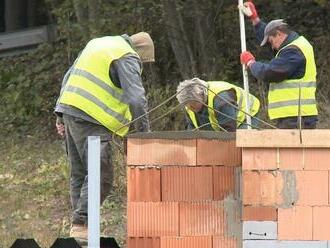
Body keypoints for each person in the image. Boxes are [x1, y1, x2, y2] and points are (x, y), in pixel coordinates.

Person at [54, 32, 154, 239]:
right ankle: (82, 224)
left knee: (81, 173)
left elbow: (69, 75)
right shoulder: (127, 55)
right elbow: (136, 99)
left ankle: (81, 230)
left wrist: (60, 113)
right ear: (139, 53)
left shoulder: (98, 44)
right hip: (92, 120)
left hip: (71, 111)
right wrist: (145, 136)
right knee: (99, 173)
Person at [239, 1, 318, 129]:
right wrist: (256, 20)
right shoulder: (295, 44)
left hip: (297, 117)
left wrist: (251, 63)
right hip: (297, 116)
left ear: (280, 34)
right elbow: (271, 36)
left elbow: (270, 72)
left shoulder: (293, 51)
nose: (272, 46)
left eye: (271, 41)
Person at [176, 78, 260, 131]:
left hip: (248, 114)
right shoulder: (188, 104)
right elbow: (192, 130)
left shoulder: (221, 100)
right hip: (225, 120)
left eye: (193, 104)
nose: (191, 108)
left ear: (201, 96)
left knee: (240, 144)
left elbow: (229, 132)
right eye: (187, 105)